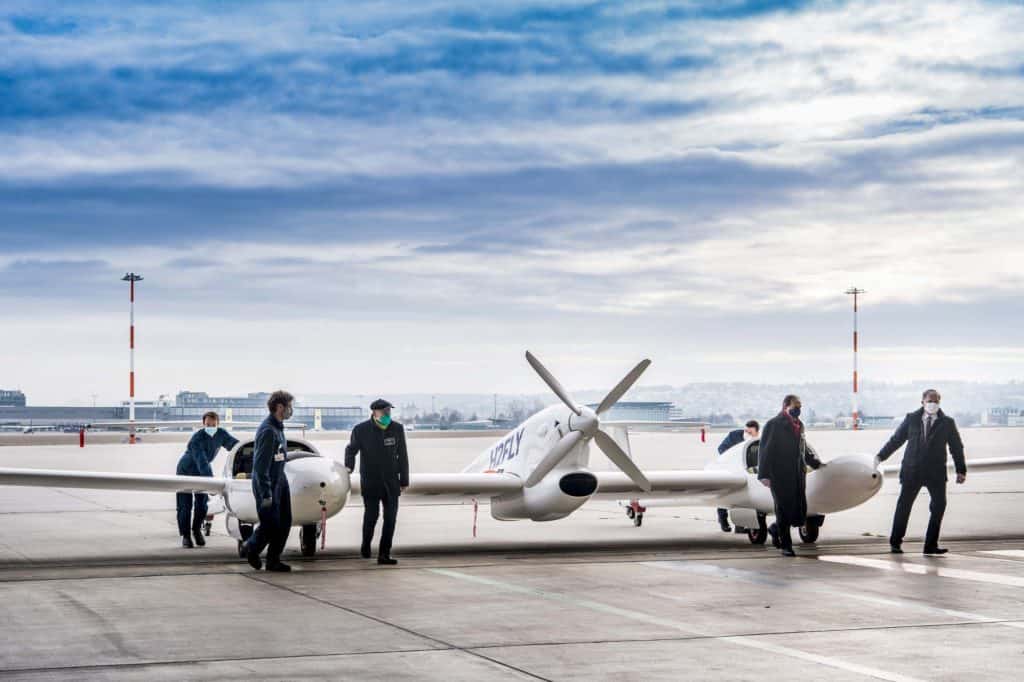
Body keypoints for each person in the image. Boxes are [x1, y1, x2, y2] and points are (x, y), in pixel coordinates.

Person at [876, 389, 966, 555]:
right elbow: (896, 440)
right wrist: (880, 457)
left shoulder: (947, 423)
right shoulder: (912, 419)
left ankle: (930, 545)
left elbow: (956, 447)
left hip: (936, 473)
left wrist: (961, 470)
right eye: (930, 401)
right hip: (912, 471)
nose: (933, 404)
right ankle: (895, 542)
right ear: (922, 402)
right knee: (904, 506)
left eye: (936, 401)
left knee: (939, 506)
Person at [345, 398, 409, 565]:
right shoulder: (361, 430)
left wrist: (404, 479)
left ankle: (384, 554)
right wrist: (349, 467)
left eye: (389, 411)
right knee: (371, 516)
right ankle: (366, 545)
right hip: (371, 482)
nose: (388, 414)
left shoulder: (397, 429)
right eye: (385, 411)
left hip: (391, 483)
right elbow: (351, 450)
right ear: (375, 412)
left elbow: (402, 455)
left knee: (390, 518)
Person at [757, 395, 823, 556]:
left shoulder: (800, 425)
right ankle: (786, 546)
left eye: (800, 406)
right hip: (779, 475)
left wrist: (815, 462)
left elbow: (803, 447)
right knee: (783, 509)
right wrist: (764, 475)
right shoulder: (774, 425)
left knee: (797, 511)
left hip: (798, 474)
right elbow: (765, 451)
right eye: (795, 406)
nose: (798, 410)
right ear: (785, 406)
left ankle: (775, 529)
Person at [240, 390, 295, 572]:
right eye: (289, 406)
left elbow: (277, 457)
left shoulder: (278, 428)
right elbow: (260, 466)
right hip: (268, 483)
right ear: (280, 407)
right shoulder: (268, 431)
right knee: (270, 524)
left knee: (284, 522)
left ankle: (273, 560)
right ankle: (251, 547)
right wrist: (266, 493)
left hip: (280, 481)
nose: (291, 410)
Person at [175, 411, 238, 548]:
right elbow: (202, 461)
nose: (210, 427)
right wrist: (211, 483)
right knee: (185, 505)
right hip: (186, 470)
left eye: (213, 424)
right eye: (207, 424)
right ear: (203, 424)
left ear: (218, 424)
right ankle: (186, 536)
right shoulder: (196, 439)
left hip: (201, 470)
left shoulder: (221, 434)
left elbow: (235, 446)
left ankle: (197, 530)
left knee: (202, 504)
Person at [715, 420, 760, 532]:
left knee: (743, 498)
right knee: (724, 494)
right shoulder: (734, 435)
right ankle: (723, 520)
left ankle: (740, 526)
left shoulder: (758, 440)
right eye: (746, 431)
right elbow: (721, 449)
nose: (747, 434)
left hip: (745, 470)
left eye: (750, 432)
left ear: (756, 432)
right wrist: (733, 458)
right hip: (729, 469)